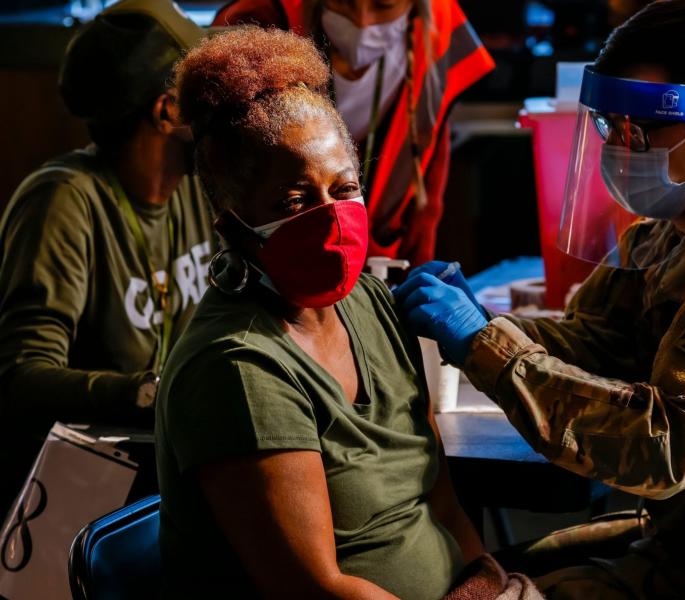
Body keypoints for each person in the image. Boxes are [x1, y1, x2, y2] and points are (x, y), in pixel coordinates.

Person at [396, 0, 685, 596]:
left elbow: (662, 448)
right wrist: (487, 322)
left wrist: (486, 346)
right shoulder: (674, 231)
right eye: (608, 126)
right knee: (468, 569)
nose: (620, 148)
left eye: (640, 129)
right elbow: (606, 339)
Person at [156, 27, 535, 600]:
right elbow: (316, 588)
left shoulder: (371, 302)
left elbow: (443, 505)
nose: (331, 217)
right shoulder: (238, 368)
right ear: (234, 225)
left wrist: (486, 584)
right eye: (295, 200)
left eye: (344, 187)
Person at [0, 0, 212, 513]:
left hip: (171, 469)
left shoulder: (197, 189)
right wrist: (150, 394)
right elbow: (21, 376)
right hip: (85, 493)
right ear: (168, 111)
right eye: (204, 93)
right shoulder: (63, 200)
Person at [212, 0, 494, 265]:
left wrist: (420, 273)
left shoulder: (437, 32)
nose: (362, 21)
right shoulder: (261, 21)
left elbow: (427, 184)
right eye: (343, 1)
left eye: (384, 4)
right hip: (278, 252)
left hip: (383, 258)